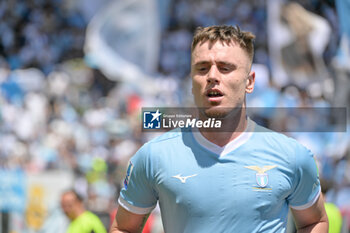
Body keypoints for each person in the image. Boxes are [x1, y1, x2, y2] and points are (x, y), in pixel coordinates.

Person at [110, 25, 328, 233]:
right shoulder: (153, 156)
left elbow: (315, 221)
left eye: (225, 68)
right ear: (191, 80)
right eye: (202, 68)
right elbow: (123, 227)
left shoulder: (292, 156)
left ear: (249, 82)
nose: (212, 76)